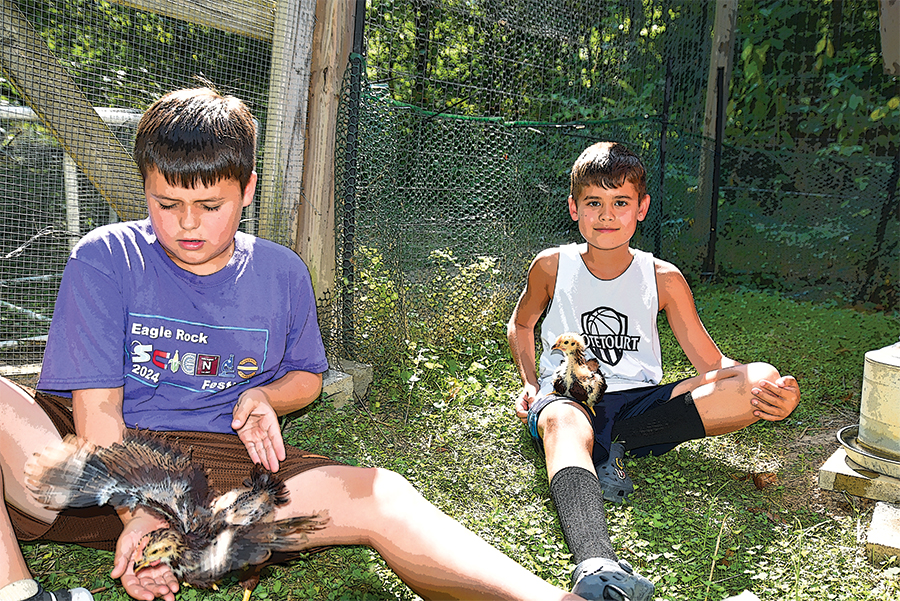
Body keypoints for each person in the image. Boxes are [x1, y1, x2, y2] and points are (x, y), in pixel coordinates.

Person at [0, 87, 586, 601]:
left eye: (210, 206)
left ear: (248, 188)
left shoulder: (282, 272)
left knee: (380, 495)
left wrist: (266, 398)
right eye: (166, 204)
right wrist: (142, 509)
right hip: (87, 464)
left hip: (215, 471)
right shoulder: (105, 257)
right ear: (145, 187)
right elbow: (97, 410)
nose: (187, 226)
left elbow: (305, 377)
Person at [507, 142, 801, 601]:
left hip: (640, 401)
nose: (607, 215)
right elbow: (522, 325)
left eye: (620, 202)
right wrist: (529, 383)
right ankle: (596, 562)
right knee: (564, 420)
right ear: (574, 208)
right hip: (570, 397)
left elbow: (714, 365)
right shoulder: (552, 265)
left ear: (641, 208)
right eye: (594, 203)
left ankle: (614, 443)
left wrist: (776, 393)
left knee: (758, 376)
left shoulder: (662, 276)